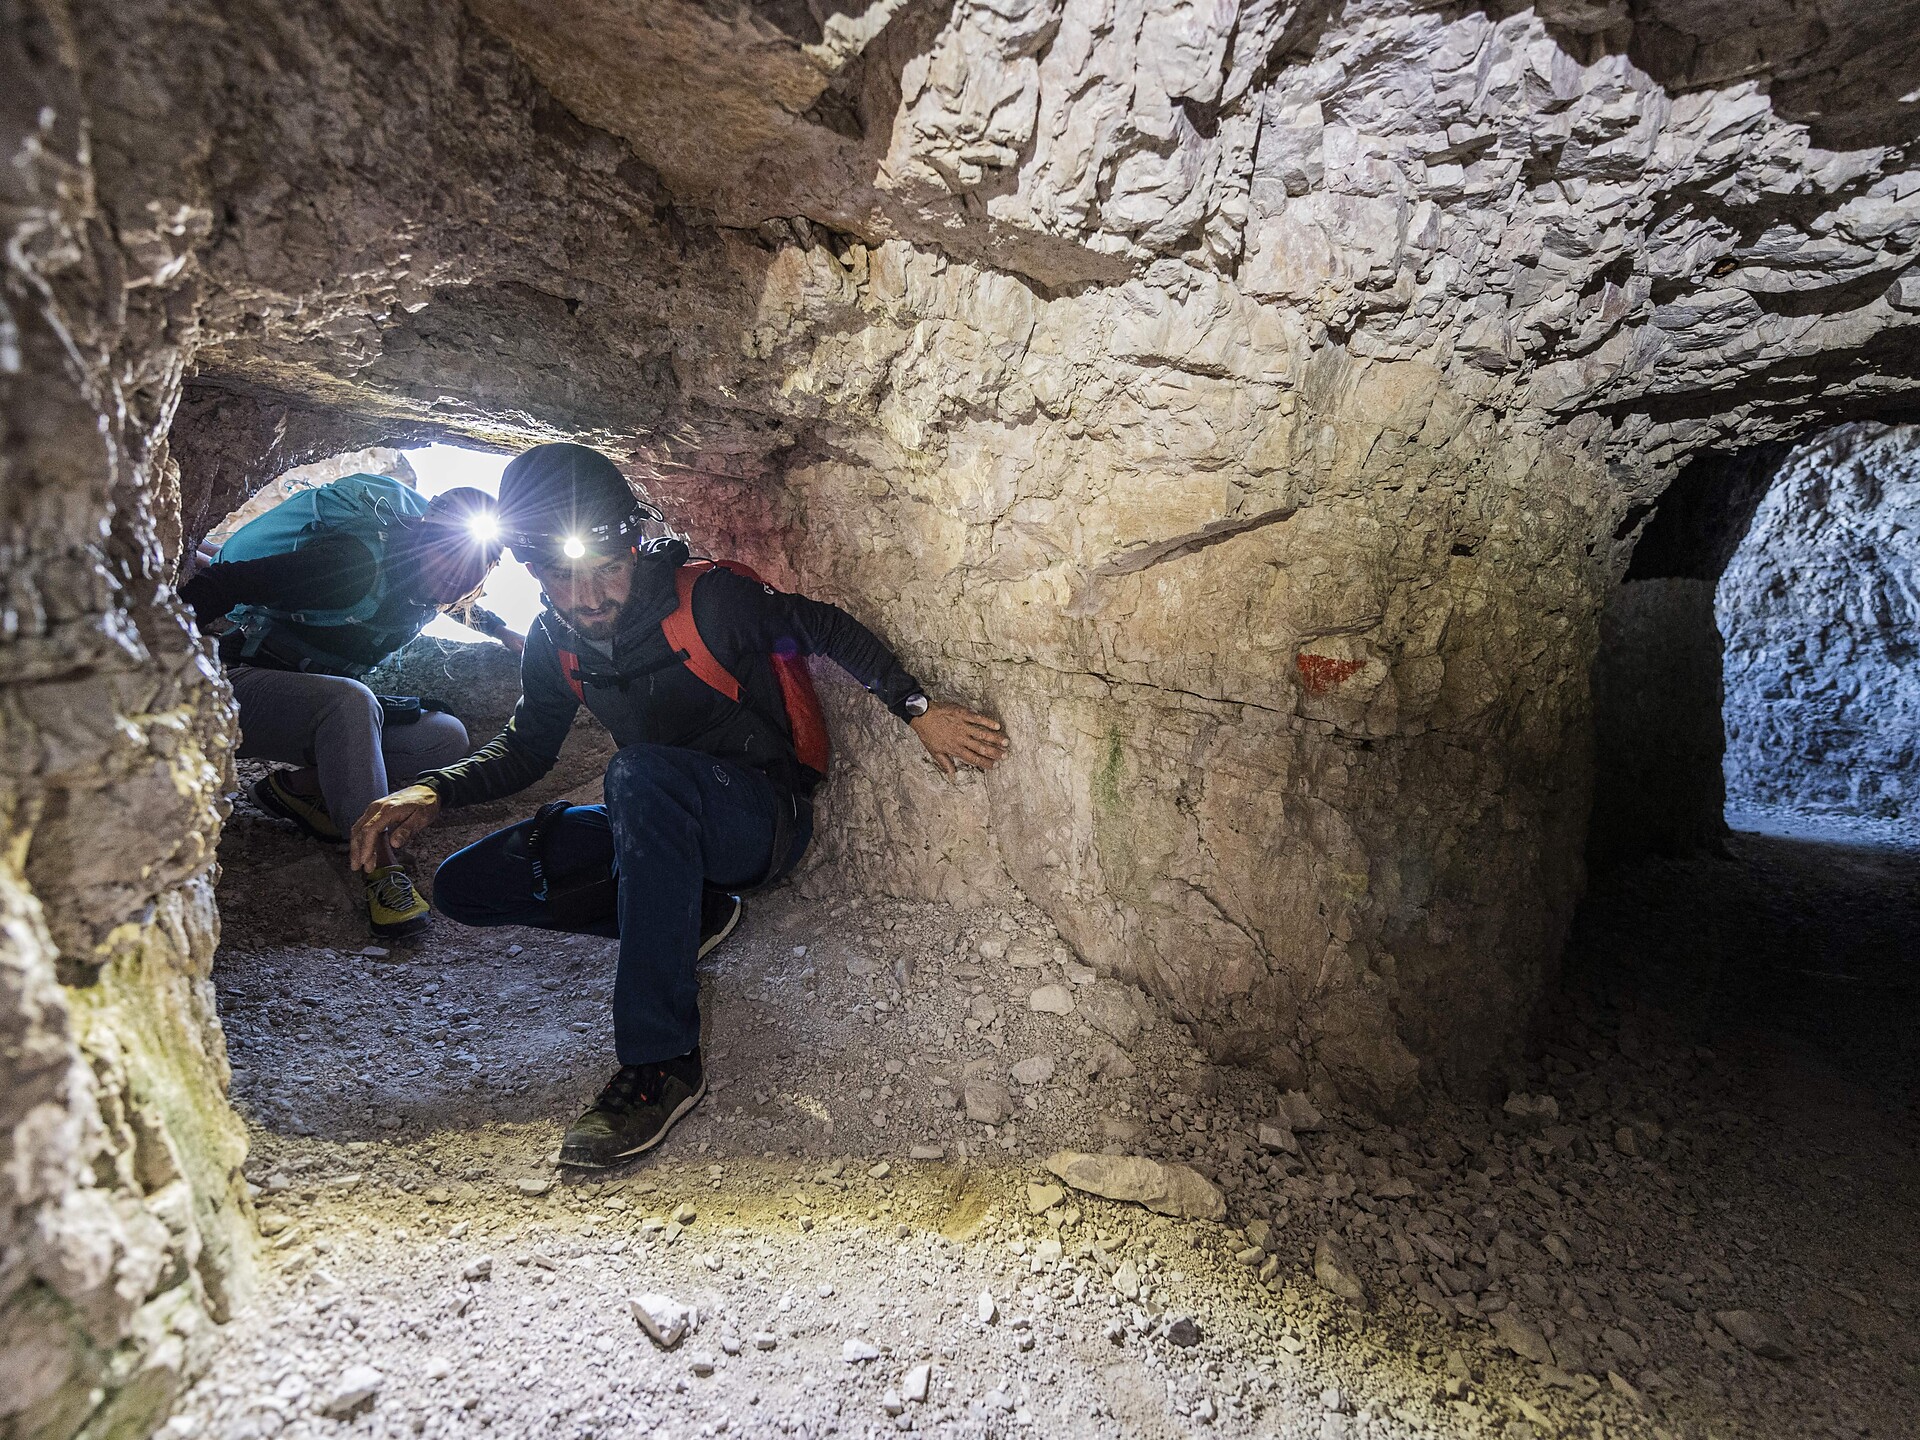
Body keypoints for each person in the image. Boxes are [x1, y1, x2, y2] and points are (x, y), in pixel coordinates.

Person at [348, 443, 1009, 1167]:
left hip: (758, 821)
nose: (590, 595)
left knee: (636, 775)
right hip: (655, 815)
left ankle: (661, 1065)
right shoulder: (554, 642)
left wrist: (916, 707)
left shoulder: (709, 601)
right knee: (465, 886)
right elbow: (528, 747)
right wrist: (432, 787)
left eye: (608, 568)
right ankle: (697, 916)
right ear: (534, 572)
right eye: (565, 577)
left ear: (634, 545)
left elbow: (822, 626)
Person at [181, 473, 505, 939]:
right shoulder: (352, 565)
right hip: (232, 689)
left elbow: (453, 598)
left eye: (477, 562)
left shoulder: (424, 587)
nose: (459, 571)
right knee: (351, 700)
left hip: (302, 706)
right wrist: (153, 659)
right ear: (422, 535)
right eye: (448, 549)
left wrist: (506, 634)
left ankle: (295, 792)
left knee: (444, 737)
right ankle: (382, 873)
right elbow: (225, 581)